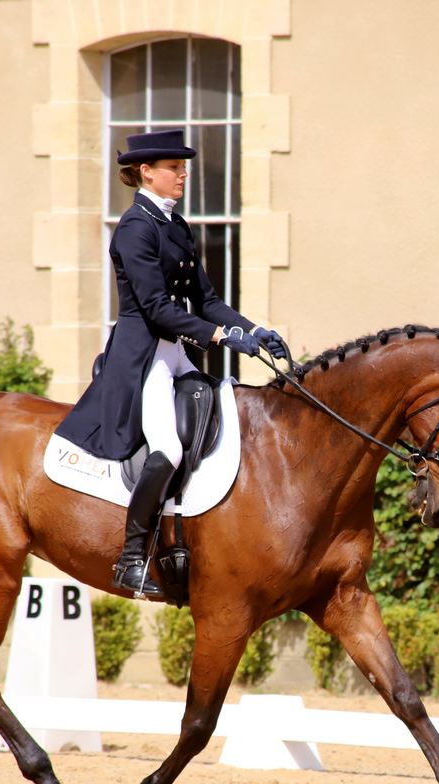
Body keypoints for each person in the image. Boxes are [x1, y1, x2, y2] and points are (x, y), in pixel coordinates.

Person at [55, 129, 286, 600]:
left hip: (178, 353)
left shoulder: (176, 226)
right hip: (143, 360)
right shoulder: (136, 228)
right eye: (174, 167)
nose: (183, 173)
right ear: (146, 172)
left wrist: (253, 329)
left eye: (184, 166)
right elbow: (158, 308)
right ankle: (132, 560)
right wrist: (221, 336)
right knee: (170, 448)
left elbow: (206, 299)